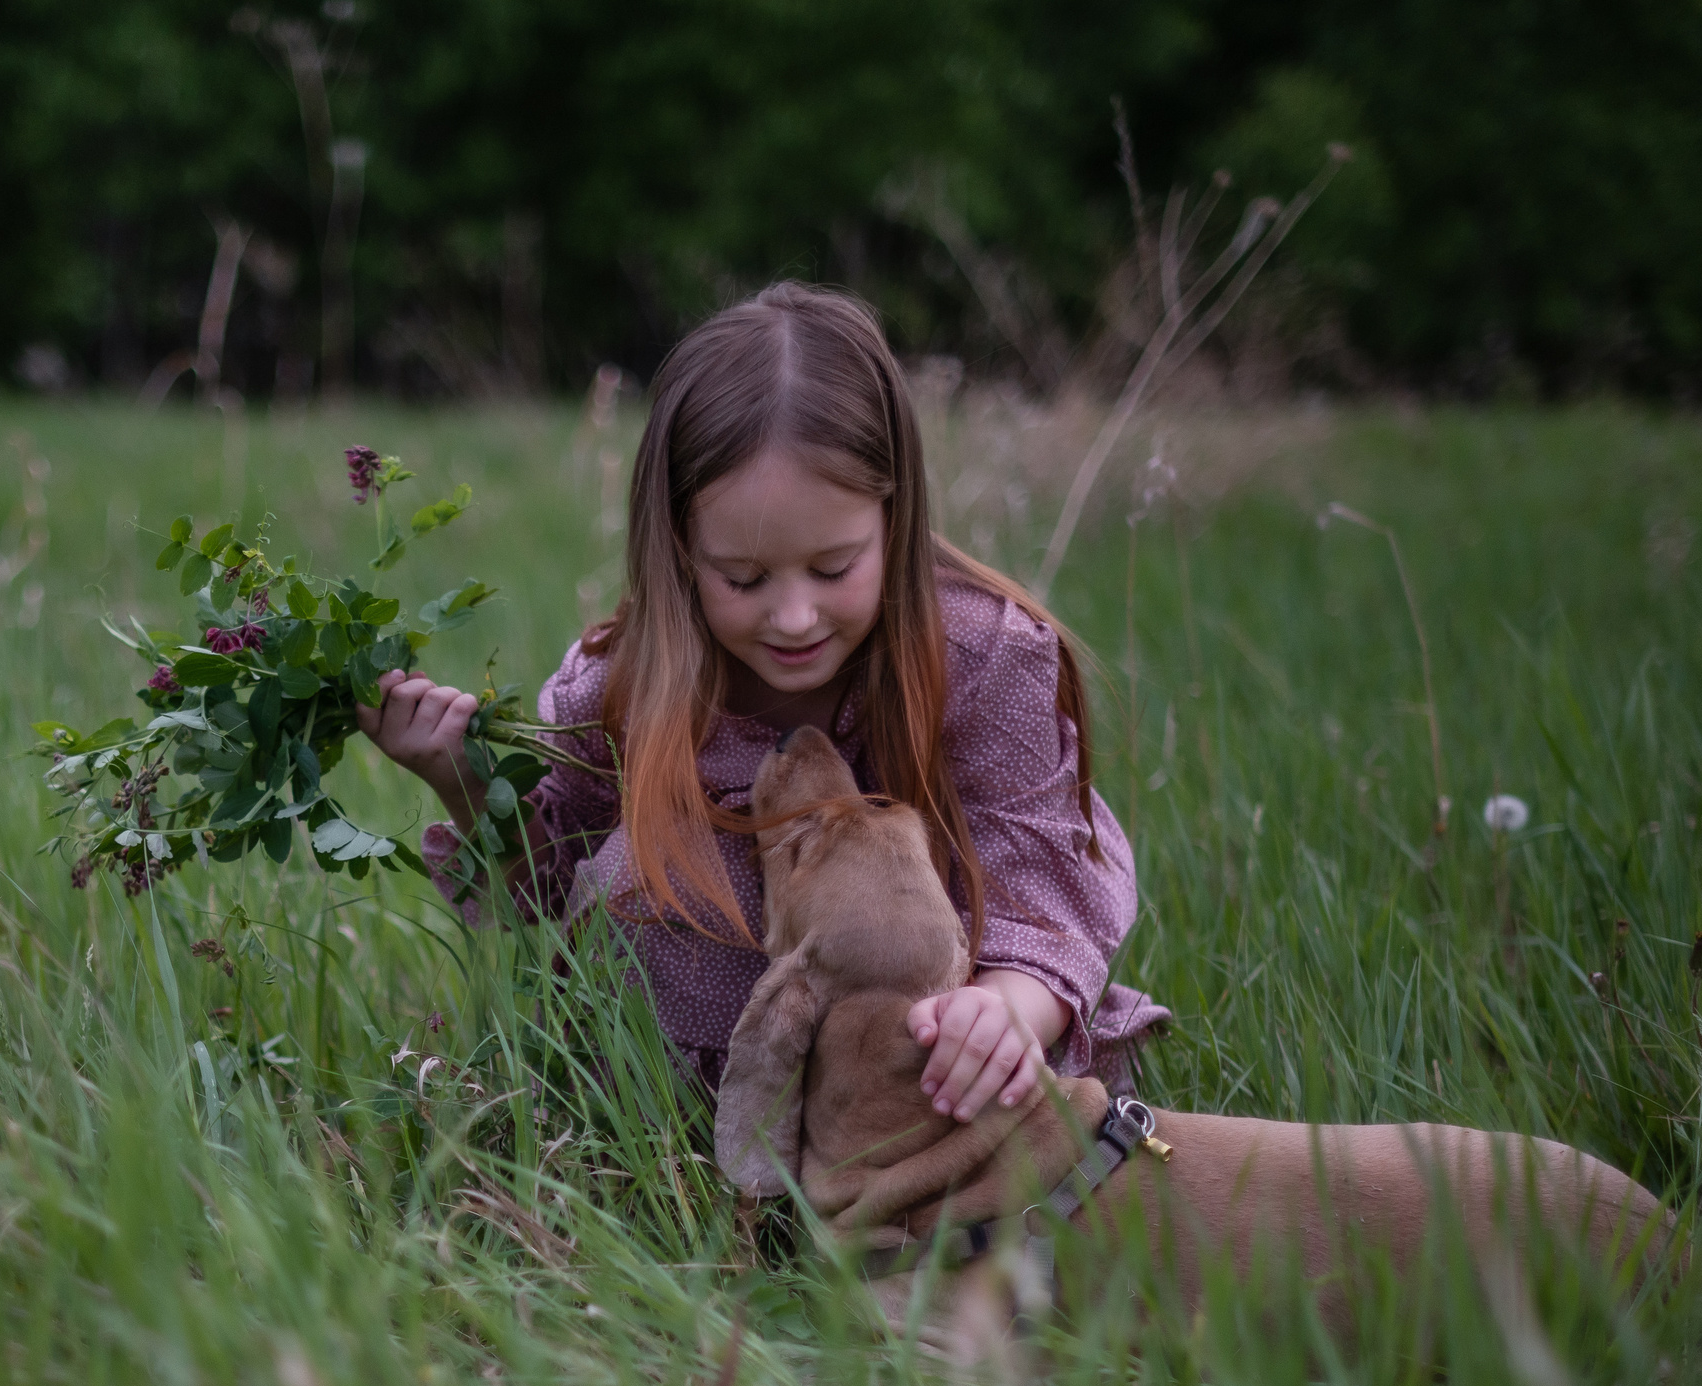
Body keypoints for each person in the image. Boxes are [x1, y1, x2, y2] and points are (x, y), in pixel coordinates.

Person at [357, 282, 1165, 1126]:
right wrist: (461, 779)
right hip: (672, 1122)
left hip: (924, 1089)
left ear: (895, 515)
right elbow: (546, 888)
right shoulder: (630, 687)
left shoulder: (979, 658)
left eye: (832, 568)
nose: (793, 617)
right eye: (742, 578)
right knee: (639, 874)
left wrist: (1007, 1011)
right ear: (677, 547)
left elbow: (1040, 879)